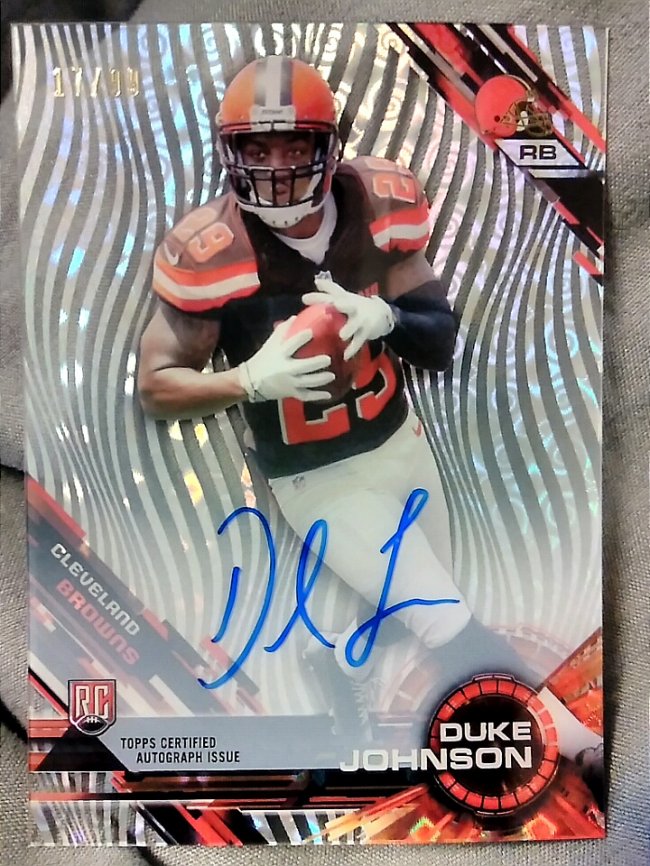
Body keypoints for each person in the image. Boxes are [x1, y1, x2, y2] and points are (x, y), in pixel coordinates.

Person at [137, 55, 603, 807]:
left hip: (401, 444)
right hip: (317, 479)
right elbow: (156, 386)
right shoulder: (212, 250)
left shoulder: (379, 201)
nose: (277, 168)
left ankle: (338, 666)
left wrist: (389, 317)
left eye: (295, 145)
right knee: (447, 621)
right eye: (258, 148)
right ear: (230, 153)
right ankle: (579, 747)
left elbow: (439, 340)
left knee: (425, 601)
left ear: (331, 144)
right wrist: (246, 380)